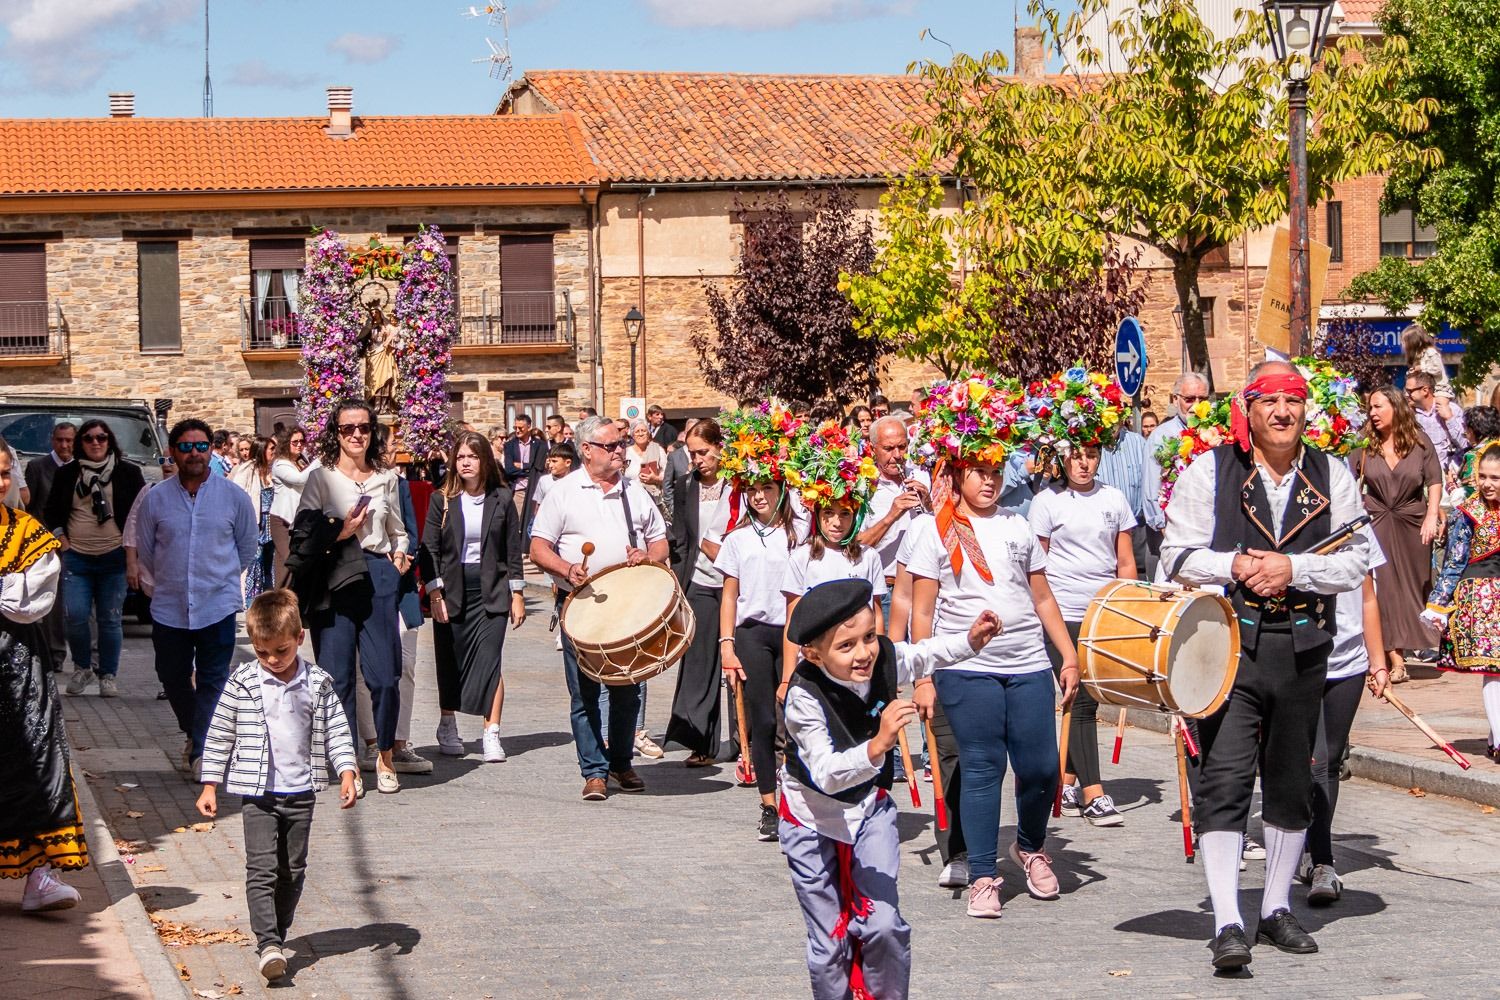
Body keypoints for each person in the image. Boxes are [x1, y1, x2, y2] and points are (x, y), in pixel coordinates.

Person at [1161, 360, 1368, 970]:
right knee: (1224, 780)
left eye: (1293, 400)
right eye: (1269, 401)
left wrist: (1294, 569)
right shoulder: (1210, 469)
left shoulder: (1332, 473)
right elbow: (1177, 555)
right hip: (1227, 645)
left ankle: (1276, 908)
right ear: (1248, 409)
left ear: (1306, 410)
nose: (1282, 412)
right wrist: (1237, 565)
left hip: (1303, 648)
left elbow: (1356, 560)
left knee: (1291, 781)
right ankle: (1228, 919)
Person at [779, 579, 1000, 1000]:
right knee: (829, 944)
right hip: (810, 819)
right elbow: (825, 773)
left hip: (868, 810)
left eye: (868, 637)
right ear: (813, 654)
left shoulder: (882, 659)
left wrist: (970, 641)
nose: (864, 653)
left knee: (883, 925)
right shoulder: (803, 697)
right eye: (846, 646)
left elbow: (923, 654)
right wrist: (878, 744)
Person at [906, 422, 1080, 920]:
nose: (989, 480)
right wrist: (923, 676)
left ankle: (1030, 846)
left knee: (1042, 767)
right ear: (957, 474)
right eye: (979, 471)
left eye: (996, 471)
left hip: (1028, 663)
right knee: (983, 766)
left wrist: (1067, 655)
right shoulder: (935, 529)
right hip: (965, 667)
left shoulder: (1017, 525)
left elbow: (1042, 596)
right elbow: (922, 610)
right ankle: (983, 875)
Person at [196, 589, 358, 984]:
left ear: (299, 638)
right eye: (262, 652)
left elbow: (337, 731)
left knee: (292, 870)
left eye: (281, 651)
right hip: (258, 796)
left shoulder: (317, 683)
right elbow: (220, 734)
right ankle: (267, 943)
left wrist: (347, 772)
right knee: (262, 869)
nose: (272, 660)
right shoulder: (242, 682)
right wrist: (210, 784)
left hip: (301, 793)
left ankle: (278, 934)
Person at [529, 415, 669, 801]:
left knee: (628, 689)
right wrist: (566, 569)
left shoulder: (633, 491)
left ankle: (621, 763)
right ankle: (594, 771)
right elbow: (538, 547)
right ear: (587, 450)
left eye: (621, 444)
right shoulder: (564, 492)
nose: (620, 450)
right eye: (611, 446)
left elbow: (660, 542)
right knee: (585, 692)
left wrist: (648, 557)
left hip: (628, 606)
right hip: (580, 604)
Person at [297, 400, 409, 795]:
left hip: (377, 574)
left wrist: (399, 556)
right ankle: (348, 766)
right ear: (336, 433)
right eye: (348, 428)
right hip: (334, 572)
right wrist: (341, 531)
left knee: (385, 676)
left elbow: (398, 530)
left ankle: (385, 754)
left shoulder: (387, 478)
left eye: (363, 427)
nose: (357, 434)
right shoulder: (320, 478)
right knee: (337, 677)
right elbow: (303, 534)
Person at [136, 419, 258, 775]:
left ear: (210, 450)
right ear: (172, 452)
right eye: (186, 447)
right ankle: (194, 729)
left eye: (202, 446)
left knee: (213, 679)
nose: (194, 453)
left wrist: (218, 576)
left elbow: (246, 548)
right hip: (169, 605)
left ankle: (202, 752)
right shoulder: (156, 498)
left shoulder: (233, 497)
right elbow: (147, 552)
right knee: (171, 675)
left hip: (217, 604)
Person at [1030, 442, 1137, 827]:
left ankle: (1067, 781)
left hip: (1102, 613)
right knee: (1079, 698)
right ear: (1062, 458)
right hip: (1062, 613)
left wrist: (1128, 610)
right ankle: (1094, 793)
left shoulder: (1114, 498)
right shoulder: (1047, 501)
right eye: (1076, 455)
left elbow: (1125, 561)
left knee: (1087, 700)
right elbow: (1036, 565)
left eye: (1091, 455)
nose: (1084, 463)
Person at [0, 443, 82, 913]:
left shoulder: (27, 532)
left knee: (35, 760)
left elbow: (30, 601)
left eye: (3, 473)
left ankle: (40, 877)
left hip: (16, 663)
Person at [715, 415, 804, 839]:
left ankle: (800, 801)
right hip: (753, 634)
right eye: (752, 489)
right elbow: (730, 595)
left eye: (767, 487)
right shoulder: (737, 538)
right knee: (764, 721)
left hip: (794, 634)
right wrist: (726, 644)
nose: (759, 496)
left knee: (798, 720)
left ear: (781, 489)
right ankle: (769, 804)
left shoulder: (801, 531)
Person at [421, 431, 527, 763]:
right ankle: (447, 723)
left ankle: (491, 732)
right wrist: (434, 592)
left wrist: (517, 593)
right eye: (461, 457)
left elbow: (512, 550)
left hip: (491, 590)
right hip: (451, 589)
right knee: (449, 659)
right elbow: (429, 549)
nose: (466, 463)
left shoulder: (502, 498)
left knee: (490, 661)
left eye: (473, 456)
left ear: (485, 461)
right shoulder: (442, 499)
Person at [1306, 530, 1392, 905]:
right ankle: (1321, 860)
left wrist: (1378, 661)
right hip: (1303, 658)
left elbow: (1368, 598)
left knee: (1330, 759)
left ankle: (1315, 852)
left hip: (1349, 663)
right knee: (1314, 759)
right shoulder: (1299, 524)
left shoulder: (1360, 530)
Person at [43, 419, 146, 698]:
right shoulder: (68, 473)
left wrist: (133, 556)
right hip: (77, 556)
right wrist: (61, 540)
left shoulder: (128, 472)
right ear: (81, 443)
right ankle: (82, 667)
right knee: (75, 615)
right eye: (88, 438)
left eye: (101, 437)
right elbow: (51, 511)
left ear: (110, 441)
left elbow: (140, 514)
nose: (95, 442)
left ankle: (108, 675)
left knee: (110, 619)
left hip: (114, 556)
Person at [1350, 386, 1442, 677]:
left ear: (1396, 407)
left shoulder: (1420, 442)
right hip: (1377, 522)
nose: (1373, 413)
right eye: (1370, 408)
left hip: (1414, 524)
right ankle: (1395, 659)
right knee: (1385, 590)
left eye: (1378, 406)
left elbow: (1434, 481)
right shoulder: (1364, 444)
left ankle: (1407, 646)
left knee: (1413, 589)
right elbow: (1347, 480)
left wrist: (1432, 516)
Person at [1425, 443, 1500, 762]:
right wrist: (1438, 602)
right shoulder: (1468, 513)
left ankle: (1494, 736)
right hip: (1480, 599)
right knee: (1494, 669)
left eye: (1495, 478)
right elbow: (1454, 562)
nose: (1487, 483)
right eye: (1483, 476)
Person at [665, 419, 730, 765]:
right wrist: (677, 584)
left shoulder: (740, 484)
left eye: (703, 452)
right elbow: (680, 539)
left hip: (737, 584)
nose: (697, 460)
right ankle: (700, 741)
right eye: (692, 454)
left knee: (740, 663)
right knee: (699, 661)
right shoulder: (686, 484)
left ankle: (746, 741)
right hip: (700, 582)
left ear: (720, 446)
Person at [857, 415, 931, 614]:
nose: (897, 455)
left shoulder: (921, 476)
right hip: (885, 590)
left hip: (924, 586)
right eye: (888, 449)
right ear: (873, 449)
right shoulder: (861, 485)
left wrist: (929, 506)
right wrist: (891, 516)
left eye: (902, 447)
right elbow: (855, 546)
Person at [23, 422, 74, 672]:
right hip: (46, 546)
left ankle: (84, 659)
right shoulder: (37, 467)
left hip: (77, 545)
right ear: (52, 441)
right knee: (49, 601)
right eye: (60, 440)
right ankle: (53, 654)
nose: (64, 445)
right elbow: (30, 507)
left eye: (69, 440)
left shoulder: (81, 468)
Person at [1143, 372, 1212, 550]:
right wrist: (1164, 528)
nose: (1196, 405)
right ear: (1175, 399)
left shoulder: (1216, 432)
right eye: (1189, 399)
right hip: (1172, 533)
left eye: (1202, 399)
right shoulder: (1162, 436)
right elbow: (1152, 486)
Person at [1096, 423, 1153, 579]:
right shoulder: (1091, 444)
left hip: (1137, 527)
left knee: (1139, 577)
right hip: (1101, 530)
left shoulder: (1138, 443)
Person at [233, 435, 278, 607]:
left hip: (272, 520)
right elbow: (237, 494)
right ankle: (253, 601)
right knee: (255, 560)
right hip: (256, 521)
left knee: (271, 559)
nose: (274, 452)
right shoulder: (248, 469)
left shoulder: (274, 469)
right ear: (262, 450)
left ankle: (270, 597)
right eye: (271, 449)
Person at [269, 425, 313, 586]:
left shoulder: (302, 461)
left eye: (302, 441)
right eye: (295, 442)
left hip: (300, 519)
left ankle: (294, 597)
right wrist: (320, 461)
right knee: (287, 560)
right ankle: (281, 596)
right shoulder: (280, 464)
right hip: (282, 519)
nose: (299, 445)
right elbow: (299, 479)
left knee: (298, 561)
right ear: (286, 443)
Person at [1405, 370, 1466, 472]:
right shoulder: (1409, 414)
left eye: (1410, 391)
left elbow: (1465, 444)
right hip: (1420, 474)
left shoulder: (1451, 409)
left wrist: (1449, 418)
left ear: (1425, 390)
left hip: (1450, 474)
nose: (1406, 395)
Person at [502, 414, 548, 524]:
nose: (517, 430)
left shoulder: (540, 445)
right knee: (518, 523)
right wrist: (530, 468)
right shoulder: (509, 445)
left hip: (535, 490)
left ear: (529, 427)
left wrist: (522, 466)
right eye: (515, 428)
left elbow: (539, 467)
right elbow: (509, 470)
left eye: (521, 428)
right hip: (519, 492)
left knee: (536, 522)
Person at [1404, 323, 1454, 400]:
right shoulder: (1418, 356)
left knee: (1441, 404)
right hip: (1428, 390)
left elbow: (1437, 369)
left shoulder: (1430, 352)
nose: (1405, 345)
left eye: (1407, 342)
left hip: (1440, 389)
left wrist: (1421, 368)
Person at [626, 418, 667, 503]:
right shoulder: (626, 453)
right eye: (637, 431)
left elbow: (667, 475)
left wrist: (656, 478)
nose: (640, 434)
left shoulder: (658, 450)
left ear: (648, 433)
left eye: (643, 431)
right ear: (632, 435)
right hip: (632, 500)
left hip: (653, 500)